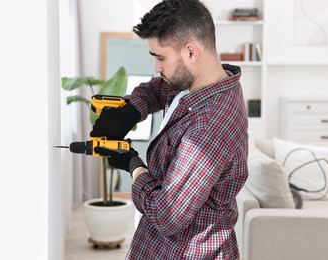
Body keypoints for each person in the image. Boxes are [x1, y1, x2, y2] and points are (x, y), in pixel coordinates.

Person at [90, 0, 249, 258]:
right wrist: (130, 111)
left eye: (160, 58)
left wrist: (133, 165)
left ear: (190, 52)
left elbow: (167, 216)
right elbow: (157, 89)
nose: (156, 68)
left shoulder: (210, 126)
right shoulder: (198, 82)